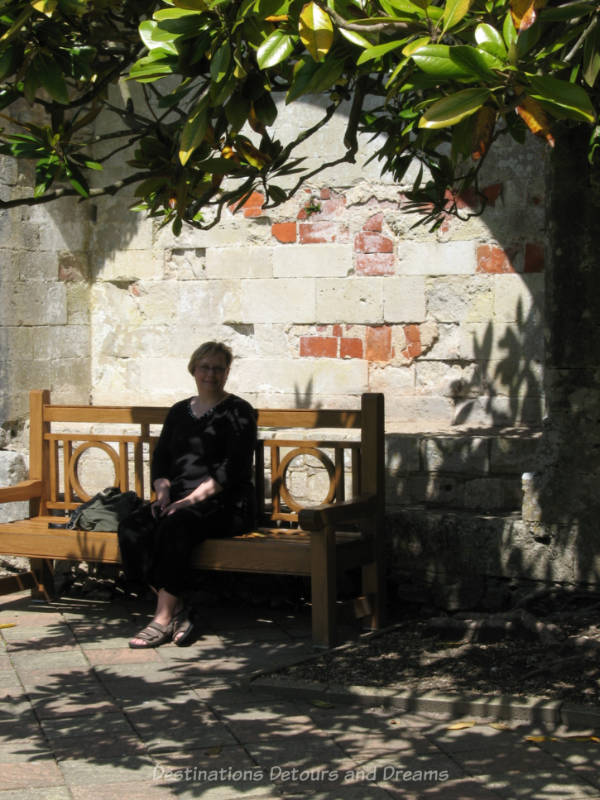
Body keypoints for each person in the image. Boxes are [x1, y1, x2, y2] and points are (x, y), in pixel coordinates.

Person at [118, 341, 257, 648]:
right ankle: (183, 608)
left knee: (176, 524)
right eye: (205, 366)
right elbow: (162, 459)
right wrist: (164, 493)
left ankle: (162, 618)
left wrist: (188, 501)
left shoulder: (239, 412)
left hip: (226, 502)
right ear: (193, 369)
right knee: (132, 527)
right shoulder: (179, 411)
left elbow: (231, 471)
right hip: (179, 499)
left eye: (218, 368)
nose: (211, 374)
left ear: (227, 372)